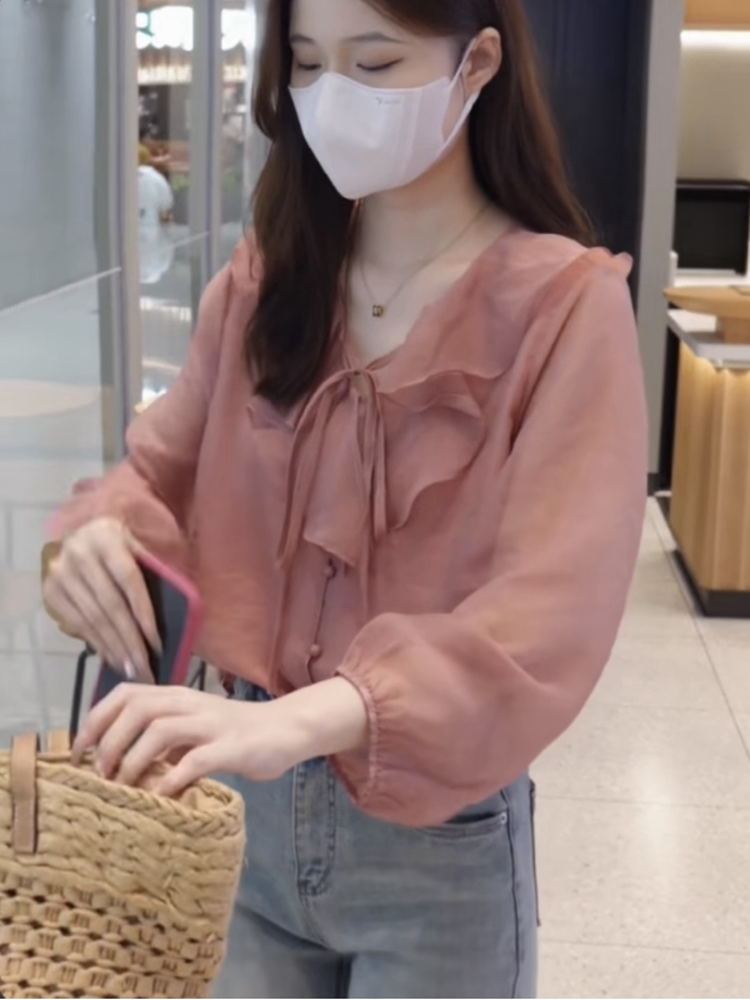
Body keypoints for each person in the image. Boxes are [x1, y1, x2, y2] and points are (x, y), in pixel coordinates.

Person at [44, 0, 647, 996]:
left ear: (477, 63)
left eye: (375, 64)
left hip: (436, 837)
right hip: (233, 814)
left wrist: (313, 717)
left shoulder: (561, 311)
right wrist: (93, 538)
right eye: (309, 64)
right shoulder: (266, 282)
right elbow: (152, 472)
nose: (333, 99)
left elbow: (550, 614)